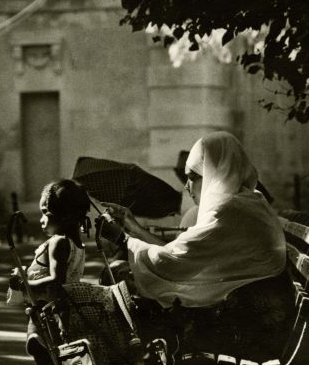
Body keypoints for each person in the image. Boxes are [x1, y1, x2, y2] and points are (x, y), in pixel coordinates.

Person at [105, 131, 288, 308]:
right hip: (255, 302)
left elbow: (173, 264)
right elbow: (182, 254)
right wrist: (135, 229)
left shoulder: (229, 210)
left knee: (119, 280)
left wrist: (123, 238)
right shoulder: (248, 201)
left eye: (193, 177)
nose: (186, 186)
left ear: (217, 173)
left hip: (247, 313)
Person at [8, 178, 90, 365]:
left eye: (46, 213)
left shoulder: (58, 243)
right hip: (64, 317)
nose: (42, 219)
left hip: (47, 320)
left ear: (64, 216)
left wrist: (25, 282)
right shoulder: (77, 243)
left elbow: (56, 283)